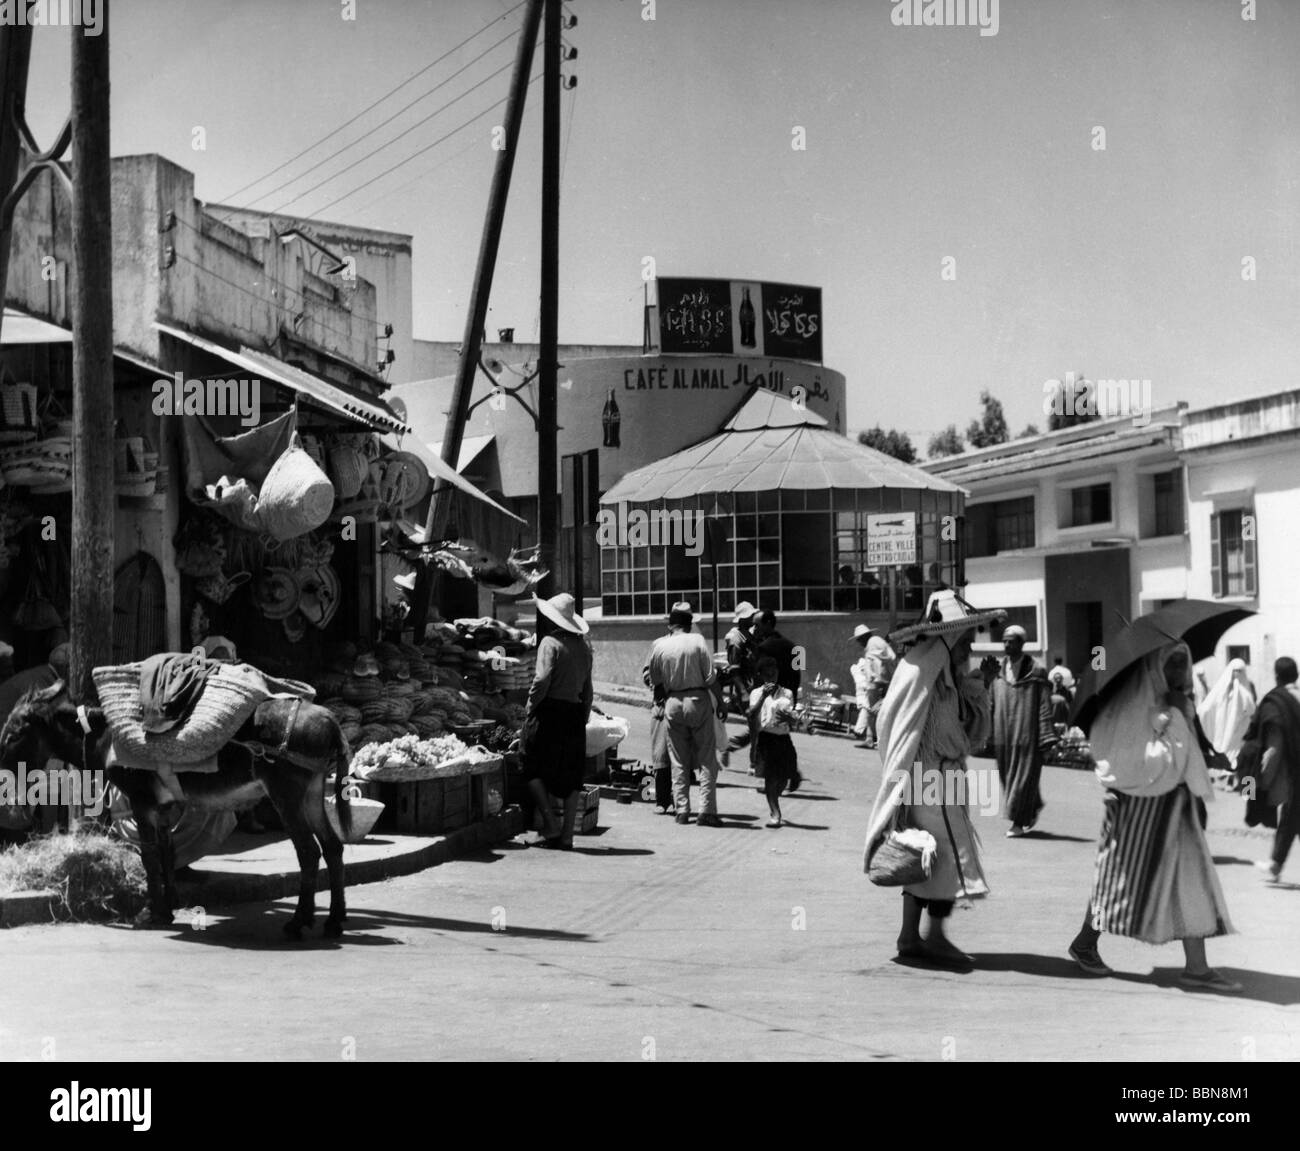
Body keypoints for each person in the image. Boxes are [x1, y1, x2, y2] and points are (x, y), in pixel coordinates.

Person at [1067, 643, 1239, 992]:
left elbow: (1186, 753)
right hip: (1137, 810)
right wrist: (1175, 716)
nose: (1179, 672)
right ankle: (1085, 941)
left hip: (1177, 810)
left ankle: (1197, 966)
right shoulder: (1134, 705)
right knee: (1114, 882)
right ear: (1156, 666)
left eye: (1183, 664)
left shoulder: (1172, 699)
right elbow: (1142, 761)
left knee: (1191, 882)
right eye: (1172, 664)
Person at [863, 590, 999, 968]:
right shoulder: (929, 680)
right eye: (964, 641)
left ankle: (910, 936)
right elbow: (954, 736)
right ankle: (934, 935)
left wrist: (978, 684)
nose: (968, 647)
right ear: (947, 641)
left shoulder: (934, 675)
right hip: (934, 780)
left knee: (926, 854)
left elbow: (964, 730)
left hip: (930, 778)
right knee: (948, 855)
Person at [522, 592, 593, 850]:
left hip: (549, 711)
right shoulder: (584, 647)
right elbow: (588, 691)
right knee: (572, 774)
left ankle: (550, 823)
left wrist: (531, 707)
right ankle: (567, 835)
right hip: (574, 714)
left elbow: (541, 680)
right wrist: (581, 718)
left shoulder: (549, 643)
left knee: (531, 765)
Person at [647, 601, 722, 827]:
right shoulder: (697, 641)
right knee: (707, 758)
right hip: (697, 700)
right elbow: (710, 677)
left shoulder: (660, 646)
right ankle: (706, 811)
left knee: (677, 759)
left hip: (672, 703)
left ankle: (682, 810)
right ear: (690, 623)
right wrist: (721, 704)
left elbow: (655, 684)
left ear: (671, 624)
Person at [991, 625, 1058, 837]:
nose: (1006, 645)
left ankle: (1017, 823)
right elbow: (990, 702)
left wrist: (1046, 735)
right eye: (1004, 641)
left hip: (1027, 733)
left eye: (1011, 641)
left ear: (1022, 643)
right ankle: (1033, 805)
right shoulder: (997, 672)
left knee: (1022, 777)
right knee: (1008, 777)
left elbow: (1045, 705)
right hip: (1003, 734)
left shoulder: (1037, 672)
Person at [1247, 656, 1300, 883]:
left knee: (1290, 818)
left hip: (1293, 774)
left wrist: (1257, 785)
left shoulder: (1277, 703)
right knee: (1291, 820)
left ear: (1276, 676)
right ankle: (1276, 865)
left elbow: (1273, 751)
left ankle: (1276, 865)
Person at [750, 656, 799, 828]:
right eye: (768, 674)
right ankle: (775, 813)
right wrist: (763, 697)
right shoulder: (756, 693)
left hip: (783, 739)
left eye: (774, 673)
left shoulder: (787, 693)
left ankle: (774, 799)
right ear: (762, 676)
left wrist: (790, 718)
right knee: (770, 778)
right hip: (766, 739)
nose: (772, 677)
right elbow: (751, 713)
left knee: (783, 779)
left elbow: (794, 720)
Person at [1197, 658, 1256, 768]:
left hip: (1237, 733)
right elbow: (1206, 707)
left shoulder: (1246, 693)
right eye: (1235, 670)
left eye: (1239, 671)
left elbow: (1251, 711)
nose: (1237, 673)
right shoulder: (1221, 690)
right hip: (1222, 730)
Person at [850, 623, 895, 749]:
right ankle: (873, 739)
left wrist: (875, 681)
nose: (859, 643)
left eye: (859, 640)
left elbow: (875, 662)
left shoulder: (872, 643)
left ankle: (873, 740)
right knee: (876, 711)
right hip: (885, 679)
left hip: (877, 682)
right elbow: (890, 658)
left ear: (863, 637)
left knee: (873, 711)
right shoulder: (878, 641)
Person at [722, 602, 759, 717]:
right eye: (750, 616)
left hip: (754, 685)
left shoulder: (748, 635)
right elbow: (734, 669)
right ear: (743, 619)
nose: (753, 618)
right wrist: (743, 693)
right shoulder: (736, 639)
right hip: (746, 687)